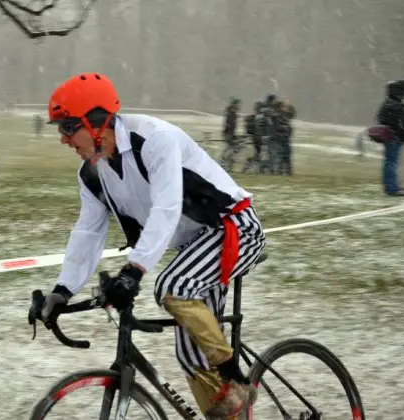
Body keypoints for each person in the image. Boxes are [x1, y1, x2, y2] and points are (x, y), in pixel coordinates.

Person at [37, 73, 265, 419]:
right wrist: (62, 290)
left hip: (234, 227)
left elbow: (167, 209)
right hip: (195, 245)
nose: (63, 139)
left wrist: (134, 270)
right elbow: (88, 232)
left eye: (68, 127)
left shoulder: (154, 139)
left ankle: (237, 379)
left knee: (175, 287)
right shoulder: (91, 173)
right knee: (190, 357)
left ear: (97, 122)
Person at [376, 80, 404, 196]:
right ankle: (391, 188)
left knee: (392, 163)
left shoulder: (393, 103)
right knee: (391, 163)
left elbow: (400, 122)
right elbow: (397, 123)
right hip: (393, 138)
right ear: (399, 91)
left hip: (396, 137)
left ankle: (394, 186)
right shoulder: (393, 105)